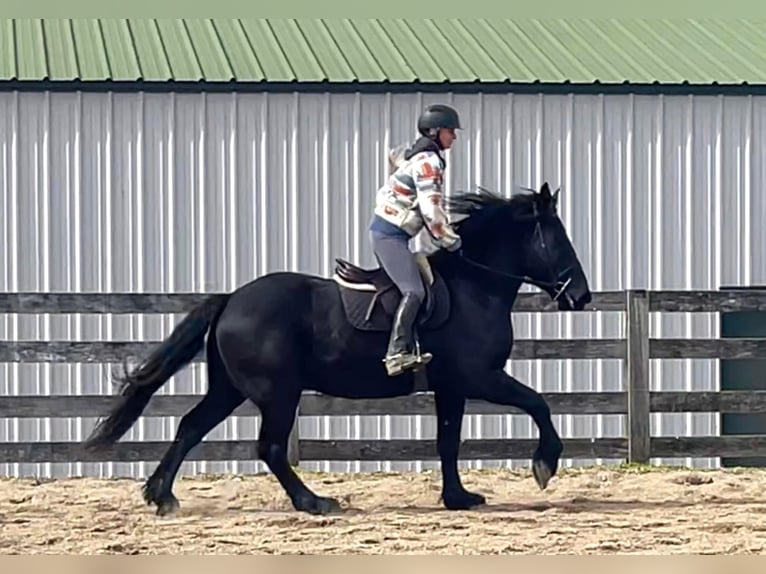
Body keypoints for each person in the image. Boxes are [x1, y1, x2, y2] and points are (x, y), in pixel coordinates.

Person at [369, 103, 463, 376]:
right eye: (450, 131)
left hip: (395, 235)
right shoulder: (428, 163)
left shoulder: (419, 157)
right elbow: (431, 209)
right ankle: (396, 354)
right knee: (415, 290)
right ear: (435, 132)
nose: (454, 137)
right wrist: (450, 241)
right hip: (389, 236)